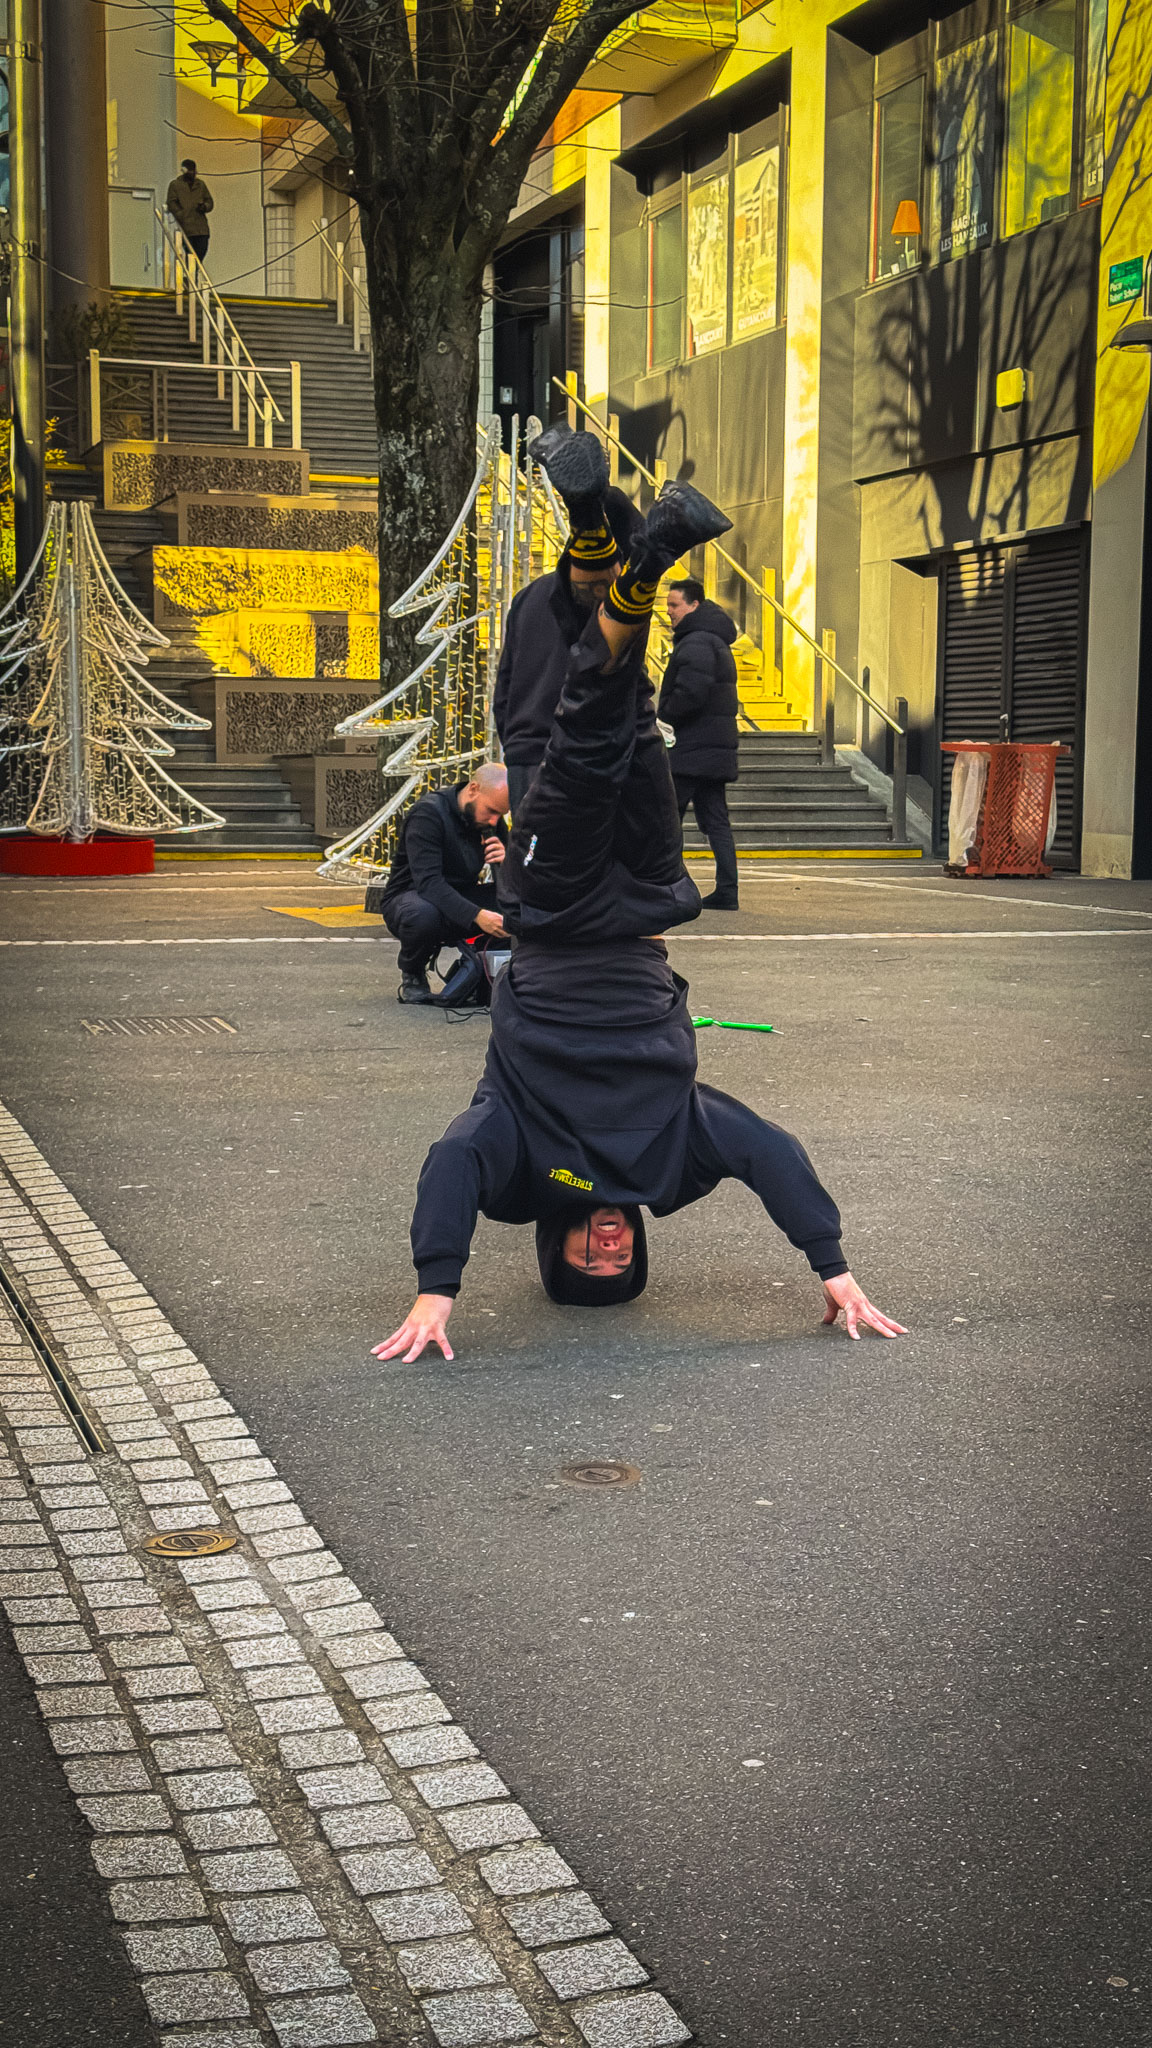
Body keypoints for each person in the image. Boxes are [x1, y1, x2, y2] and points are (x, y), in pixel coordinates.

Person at [372, 436, 905, 1358]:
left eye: (587, 1262)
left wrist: (437, 1290)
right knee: (621, 733)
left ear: (555, 1246)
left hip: (561, 914)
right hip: (651, 905)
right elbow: (767, 1150)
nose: (609, 1246)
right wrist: (834, 1266)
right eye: (621, 1263)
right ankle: (619, 553)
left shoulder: (519, 1167)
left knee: (570, 738)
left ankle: (629, 556)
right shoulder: (671, 1168)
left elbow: (452, 1163)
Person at [493, 431, 643, 813]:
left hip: (527, 748)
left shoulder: (528, 598)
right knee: (582, 862)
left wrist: (515, 742)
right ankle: (590, 512)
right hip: (581, 749)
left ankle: (589, 512)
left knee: (534, 861)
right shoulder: (613, 604)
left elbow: (504, 686)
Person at [380, 763, 509, 1004]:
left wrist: (508, 859)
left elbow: (512, 884)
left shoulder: (490, 822)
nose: (494, 820)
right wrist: (477, 915)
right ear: (473, 789)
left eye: (500, 815)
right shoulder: (428, 814)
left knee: (516, 905)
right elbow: (429, 883)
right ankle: (413, 972)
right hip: (413, 896)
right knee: (422, 914)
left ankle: (479, 969)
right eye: (491, 811)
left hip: (461, 895)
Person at [659, 577, 742, 911]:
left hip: (691, 749)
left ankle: (669, 888)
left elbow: (691, 691)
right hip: (712, 749)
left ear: (694, 605)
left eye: (674, 605)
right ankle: (727, 889)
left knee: (666, 818)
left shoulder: (695, 642)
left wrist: (664, 715)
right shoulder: (713, 640)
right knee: (716, 820)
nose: (669, 612)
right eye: (667, 606)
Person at [166, 160, 214, 265]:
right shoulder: (175, 185)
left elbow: (209, 201)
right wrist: (181, 214)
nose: (192, 173)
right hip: (185, 227)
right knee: (189, 255)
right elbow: (171, 202)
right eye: (189, 171)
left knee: (201, 251)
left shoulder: (200, 185)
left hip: (201, 228)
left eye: (193, 171)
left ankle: (193, 274)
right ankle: (189, 277)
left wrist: (204, 207)